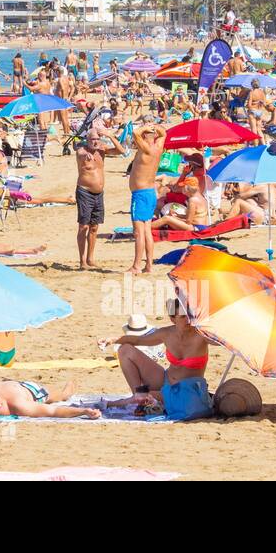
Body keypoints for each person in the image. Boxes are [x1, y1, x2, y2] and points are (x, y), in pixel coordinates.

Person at [98, 295, 213, 420]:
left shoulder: (202, 334)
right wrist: (113, 340)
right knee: (125, 350)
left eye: (191, 316)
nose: (189, 320)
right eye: (183, 317)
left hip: (187, 391)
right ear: (173, 319)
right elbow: (138, 340)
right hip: (164, 380)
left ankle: (139, 399)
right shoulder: (167, 333)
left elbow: (221, 341)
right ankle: (138, 397)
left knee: (150, 395)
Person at [75, 131, 125, 270]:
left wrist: (109, 136)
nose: (95, 141)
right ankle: (82, 261)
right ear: (87, 139)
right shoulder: (82, 151)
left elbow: (121, 151)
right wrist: (86, 154)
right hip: (85, 192)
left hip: (99, 194)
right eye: (92, 139)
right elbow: (80, 153)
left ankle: (90, 259)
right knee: (83, 226)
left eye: (97, 139)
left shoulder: (102, 150)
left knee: (94, 227)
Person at [0, 380, 100, 420]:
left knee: (59, 396)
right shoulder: (18, 404)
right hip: (30, 390)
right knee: (58, 397)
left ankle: (67, 390)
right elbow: (53, 411)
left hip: (17, 386)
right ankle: (67, 391)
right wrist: (83, 411)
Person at [128, 120, 166, 274]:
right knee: (147, 231)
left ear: (145, 136)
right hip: (150, 192)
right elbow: (164, 133)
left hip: (141, 194)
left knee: (139, 232)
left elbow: (135, 132)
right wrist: (155, 127)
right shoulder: (158, 147)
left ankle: (137, 266)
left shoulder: (146, 148)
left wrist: (144, 127)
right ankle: (148, 265)